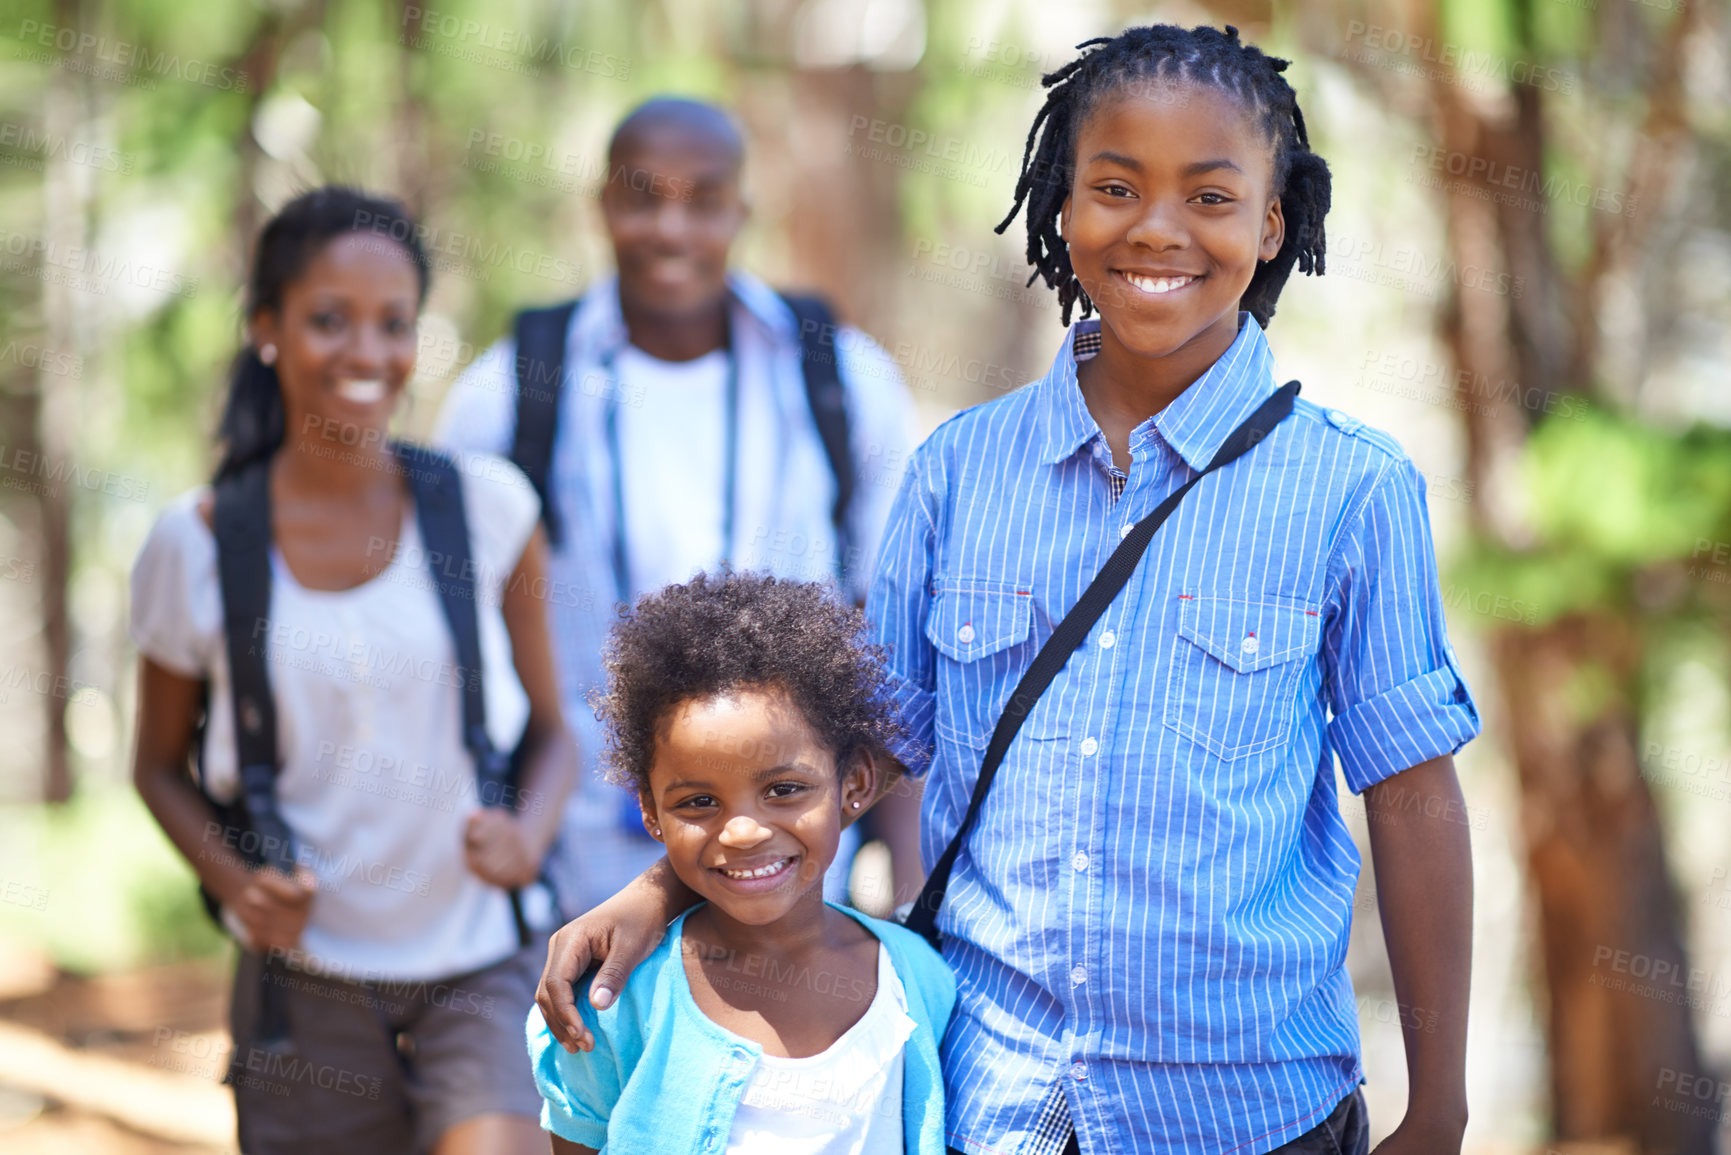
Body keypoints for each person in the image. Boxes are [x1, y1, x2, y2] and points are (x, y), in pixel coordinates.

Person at [534, 24, 1483, 1155]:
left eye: (1211, 197)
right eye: (1115, 187)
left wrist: (1441, 1105)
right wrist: (659, 890)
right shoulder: (954, 473)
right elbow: (849, 751)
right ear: (1060, 205)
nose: (1158, 229)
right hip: (994, 1098)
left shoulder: (1355, 489)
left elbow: (1414, 799)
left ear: (1273, 223)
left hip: (1251, 1107)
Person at [129, 186, 578, 1155]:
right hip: (303, 991)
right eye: (329, 320)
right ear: (266, 329)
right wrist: (237, 884)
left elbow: (553, 732)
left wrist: (529, 834)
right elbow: (156, 766)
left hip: (478, 964)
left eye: (394, 323)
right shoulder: (197, 545)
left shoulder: (489, 510)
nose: (367, 353)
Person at [434, 96, 922, 920]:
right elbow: (450, 639)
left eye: (702, 199)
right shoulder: (509, 391)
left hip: (786, 875)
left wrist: (906, 878)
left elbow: (892, 636)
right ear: (601, 205)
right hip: (572, 874)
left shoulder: (841, 379)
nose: (671, 229)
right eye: (641, 195)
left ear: (741, 209)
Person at [525, 572, 955, 1153]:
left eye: (783, 789)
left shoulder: (918, 980)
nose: (744, 831)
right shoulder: (616, 1002)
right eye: (699, 802)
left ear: (853, 784)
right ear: (651, 813)